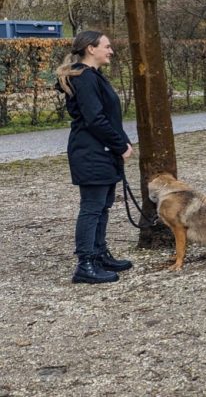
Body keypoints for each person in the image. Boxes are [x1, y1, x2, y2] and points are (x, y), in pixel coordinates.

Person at [55, 31, 134, 284]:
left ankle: (99, 254)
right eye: (107, 46)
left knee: (103, 205)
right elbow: (95, 119)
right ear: (91, 48)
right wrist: (120, 145)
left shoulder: (92, 77)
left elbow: (108, 117)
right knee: (92, 207)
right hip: (91, 152)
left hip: (101, 151)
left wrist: (122, 142)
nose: (111, 51)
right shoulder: (85, 78)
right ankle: (85, 264)